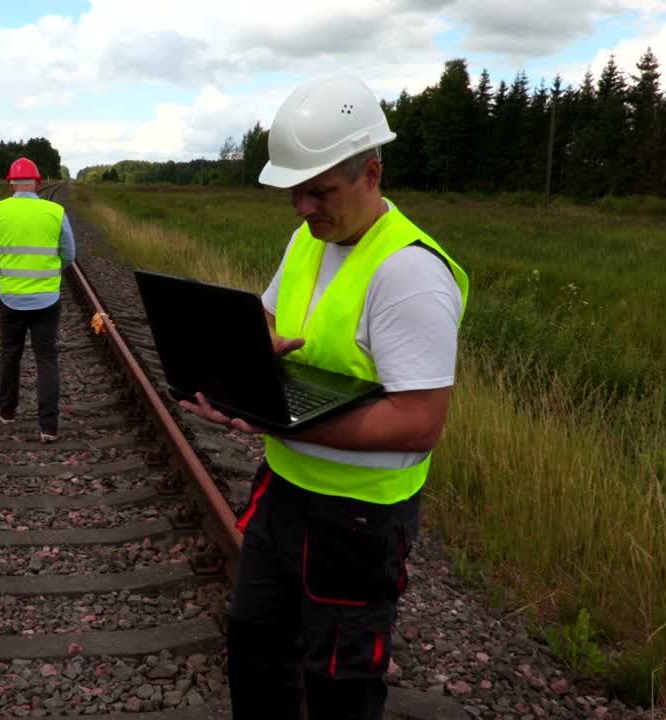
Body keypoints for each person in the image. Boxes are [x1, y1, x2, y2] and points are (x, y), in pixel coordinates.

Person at [179, 75, 470, 720]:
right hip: (283, 494)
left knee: (338, 686)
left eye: (319, 191)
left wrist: (277, 421)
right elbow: (270, 315)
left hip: (358, 522)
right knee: (256, 653)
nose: (303, 207)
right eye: (294, 192)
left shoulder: (411, 275)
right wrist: (243, 360)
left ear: (372, 172)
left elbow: (419, 423)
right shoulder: (310, 237)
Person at [0, 157, 76, 443]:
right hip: (47, 298)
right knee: (47, 358)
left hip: (10, 297)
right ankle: (48, 426)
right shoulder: (55, 211)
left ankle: (7, 410)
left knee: (11, 352)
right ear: (37, 182)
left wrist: (9, 262)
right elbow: (69, 254)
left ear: (10, 182)